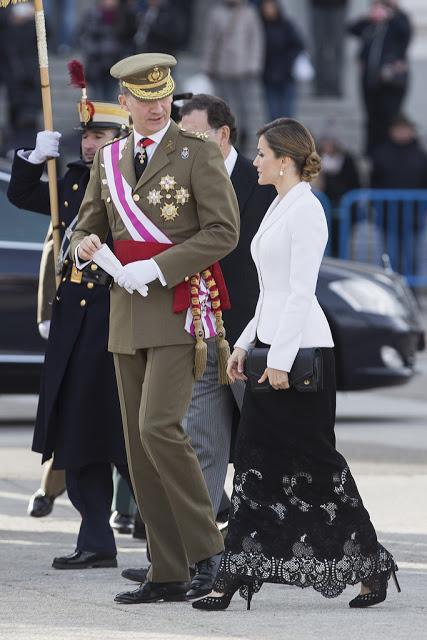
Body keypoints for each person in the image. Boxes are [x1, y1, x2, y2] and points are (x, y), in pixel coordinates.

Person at [193, 118, 400, 611]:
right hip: (274, 348)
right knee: (257, 463)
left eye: (262, 154)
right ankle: (235, 575)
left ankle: (369, 565)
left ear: (284, 161)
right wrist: (243, 343)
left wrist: (280, 360)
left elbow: (301, 292)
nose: (255, 161)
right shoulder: (280, 204)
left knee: (317, 464)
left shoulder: (307, 209)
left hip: (301, 356)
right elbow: (271, 292)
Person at [69, 53, 240, 604]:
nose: (156, 107)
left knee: (159, 429)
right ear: (126, 102)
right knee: (139, 447)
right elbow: (86, 228)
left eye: (164, 98)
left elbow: (223, 232)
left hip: (178, 309)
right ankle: (167, 570)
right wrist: (86, 247)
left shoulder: (194, 154)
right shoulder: (110, 158)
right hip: (125, 316)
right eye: (144, 100)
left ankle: (209, 552)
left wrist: (161, 265)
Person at [8, 62, 133, 570]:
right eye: (85, 135)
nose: (88, 144)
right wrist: (32, 159)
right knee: (78, 429)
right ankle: (94, 534)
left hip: (121, 315)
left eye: (100, 134)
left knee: (131, 433)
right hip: (77, 325)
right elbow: (20, 195)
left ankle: (165, 531)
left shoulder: (133, 185)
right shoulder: (74, 183)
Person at [348, 0, 412, 155]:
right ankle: (372, 153)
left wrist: (392, 14)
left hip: (392, 82)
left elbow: (405, 32)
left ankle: (387, 153)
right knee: (371, 119)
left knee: (388, 117)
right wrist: (370, 18)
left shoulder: (398, 21)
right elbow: (352, 28)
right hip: (370, 82)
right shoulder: (371, 26)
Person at [202, 0, 265, 151]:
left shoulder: (250, 13)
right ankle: (228, 134)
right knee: (224, 105)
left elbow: (256, 40)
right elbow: (210, 41)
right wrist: (208, 64)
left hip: (244, 69)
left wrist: (254, 65)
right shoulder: (216, 13)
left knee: (245, 106)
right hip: (222, 68)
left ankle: (243, 133)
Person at [78, 0, 138, 101]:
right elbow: (84, 37)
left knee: (113, 99)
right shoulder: (92, 15)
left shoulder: (124, 15)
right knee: (96, 99)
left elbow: (129, 39)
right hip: (96, 65)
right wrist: (96, 51)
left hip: (116, 65)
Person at [260, 0, 305, 119]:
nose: (269, 10)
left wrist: (288, 61)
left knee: (287, 113)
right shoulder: (260, 27)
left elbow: (299, 44)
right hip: (268, 75)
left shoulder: (286, 25)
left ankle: (286, 137)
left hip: (286, 74)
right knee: (272, 113)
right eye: (266, 7)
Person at [370, 113, 427, 189]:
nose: (402, 132)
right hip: (385, 199)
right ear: (391, 131)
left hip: (417, 200)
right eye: (398, 129)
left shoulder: (421, 156)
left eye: (405, 128)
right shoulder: (380, 154)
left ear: (412, 131)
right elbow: (374, 182)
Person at [309, 0, 349, 97]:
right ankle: (319, 87)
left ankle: (336, 86)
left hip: (338, 6)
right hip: (318, 6)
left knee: (338, 49)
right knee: (318, 49)